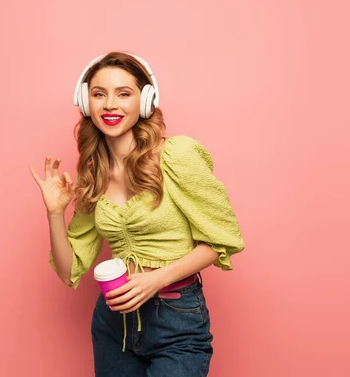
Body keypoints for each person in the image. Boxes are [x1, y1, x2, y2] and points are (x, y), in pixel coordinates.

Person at [30, 51, 245, 376]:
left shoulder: (177, 155)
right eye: (99, 94)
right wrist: (55, 213)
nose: (110, 105)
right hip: (113, 324)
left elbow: (220, 241)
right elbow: (67, 269)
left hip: (176, 316)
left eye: (124, 94)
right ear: (86, 103)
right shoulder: (94, 174)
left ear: (145, 100)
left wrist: (155, 279)